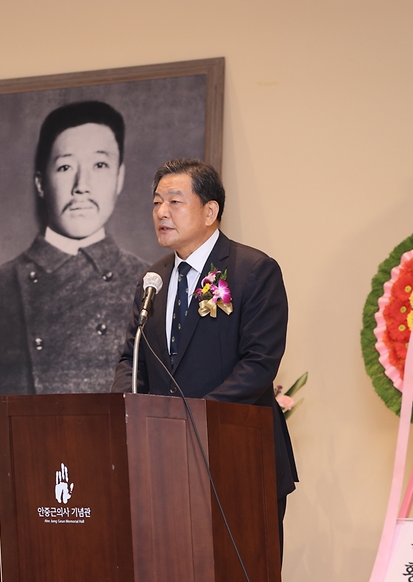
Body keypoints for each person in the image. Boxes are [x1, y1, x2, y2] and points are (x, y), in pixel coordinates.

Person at [110, 158, 298, 550]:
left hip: (237, 456)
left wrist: (188, 419)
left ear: (210, 211)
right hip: (164, 462)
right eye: (157, 202)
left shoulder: (253, 270)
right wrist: (124, 410)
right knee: (173, 580)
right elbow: (132, 359)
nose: (161, 212)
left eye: (175, 201)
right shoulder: (155, 277)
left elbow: (259, 364)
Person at [0, 101, 147, 429]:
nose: (82, 185)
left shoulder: (150, 283)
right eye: (66, 167)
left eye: (99, 165)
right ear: (41, 182)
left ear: (119, 177)